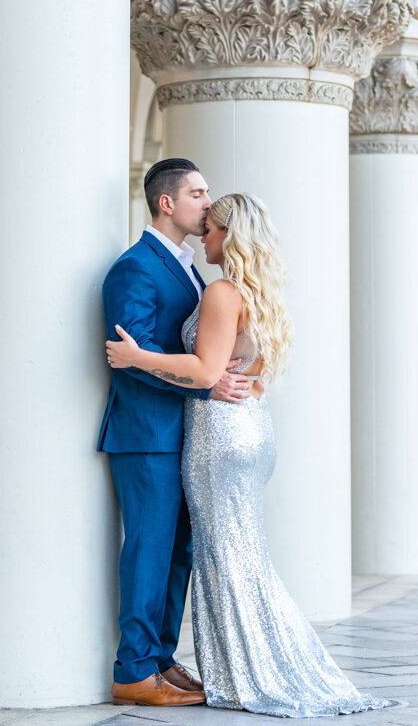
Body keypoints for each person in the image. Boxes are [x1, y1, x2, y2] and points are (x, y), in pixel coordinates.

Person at [106, 193, 390, 718]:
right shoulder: (258, 292)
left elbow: (208, 373)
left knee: (230, 559)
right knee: (235, 556)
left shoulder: (219, 290)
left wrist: (135, 355)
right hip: (249, 431)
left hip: (220, 436)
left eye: (211, 228)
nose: (204, 235)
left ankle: (260, 669)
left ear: (229, 237)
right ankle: (249, 668)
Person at [98, 159, 252, 708]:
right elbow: (130, 357)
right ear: (167, 203)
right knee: (150, 549)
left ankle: (161, 658)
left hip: (185, 438)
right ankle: (134, 670)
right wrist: (205, 388)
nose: (207, 204)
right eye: (197, 193)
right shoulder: (135, 267)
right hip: (146, 435)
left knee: (178, 552)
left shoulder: (190, 268)